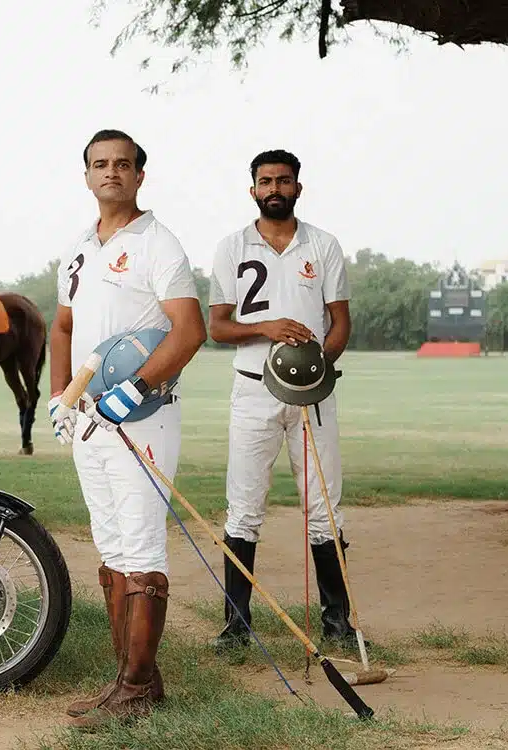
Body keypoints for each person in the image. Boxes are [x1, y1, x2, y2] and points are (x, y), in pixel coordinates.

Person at [45, 129, 206, 728]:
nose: (110, 172)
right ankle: (130, 678)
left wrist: (133, 389)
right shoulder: (78, 249)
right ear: (86, 176)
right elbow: (62, 328)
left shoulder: (158, 244)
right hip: (90, 425)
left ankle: (137, 688)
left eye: (122, 164)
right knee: (112, 548)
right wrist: (63, 396)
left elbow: (189, 332)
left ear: (140, 175)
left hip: (143, 418)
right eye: (99, 164)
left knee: (141, 549)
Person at [207, 149, 355, 651]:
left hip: (313, 393)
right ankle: (236, 625)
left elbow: (341, 322)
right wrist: (266, 327)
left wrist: (317, 366)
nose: (274, 188)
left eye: (283, 181)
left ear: (297, 187)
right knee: (244, 505)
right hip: (253, 388)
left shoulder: (324, 244)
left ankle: (338, 620)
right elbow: (218, 327)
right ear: (252, 189)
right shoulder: (232, 247)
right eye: (265, 181)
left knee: (324, 507)